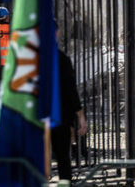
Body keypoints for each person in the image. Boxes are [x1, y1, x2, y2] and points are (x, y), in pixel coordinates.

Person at [51, 23, 87, 184]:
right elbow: (70, 90)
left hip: (34, 116)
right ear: (57, 33)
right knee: (63, 158)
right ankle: (64, 183)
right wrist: (80, 116)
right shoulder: (61, 59)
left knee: (35, 156)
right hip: (60, 115)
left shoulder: (28, 59)